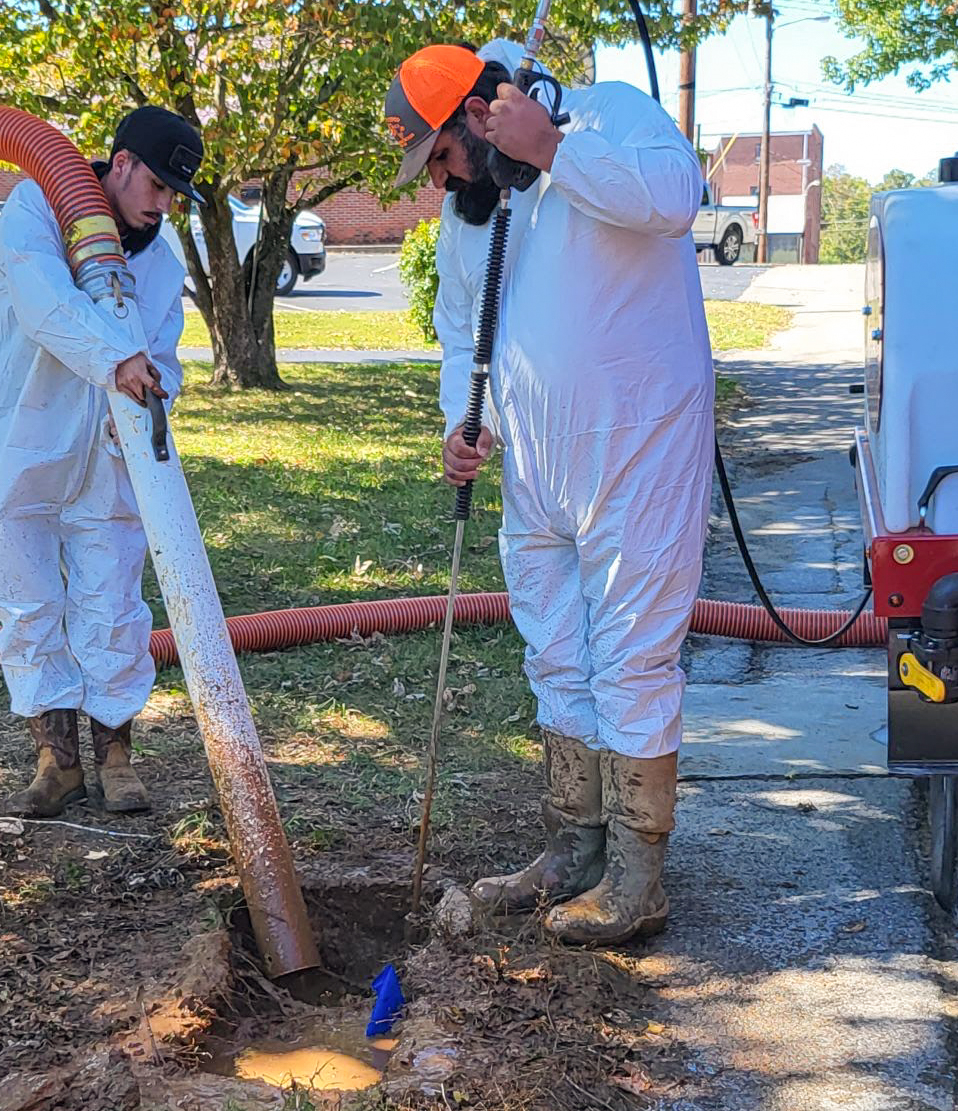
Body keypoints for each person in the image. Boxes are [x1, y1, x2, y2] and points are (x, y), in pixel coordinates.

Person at [385, 43, 713, 944]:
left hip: (636, 450)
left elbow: (674, 198)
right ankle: (575, 847)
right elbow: (461, 327)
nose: (443, 180)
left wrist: (555, 148)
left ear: (483, 115)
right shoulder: (478, 214)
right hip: (535, 465)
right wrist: (463, 417)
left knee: (632, 656)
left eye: (443, 154)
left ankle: (639, 877)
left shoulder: (606, 116)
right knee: (557, 652)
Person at [0, 106, 204, 818]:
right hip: (26, 438)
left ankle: (117, 761)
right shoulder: (35, 209)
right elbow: (44, 303)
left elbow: (161, 350)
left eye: (174, 196)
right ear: (122, 161)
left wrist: (151, 381)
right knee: (25, 596)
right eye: (156, 186)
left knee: (114, 603)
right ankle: (58, 761)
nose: (161, 206)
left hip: (110, 450)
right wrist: (116, 357)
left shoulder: (159, 263)